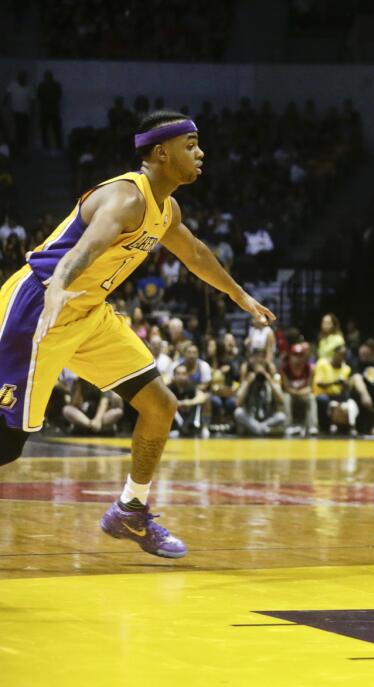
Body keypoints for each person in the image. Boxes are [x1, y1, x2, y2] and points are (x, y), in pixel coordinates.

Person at [0, 110, 274, 559]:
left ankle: (131, 510)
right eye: (191, 145)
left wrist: (241, 296)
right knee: (7, 444)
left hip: (88, 314)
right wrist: (59, 288)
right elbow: (84, 250)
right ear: (161, 153)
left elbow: (195, 254)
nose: (201, 153)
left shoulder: (166, 208)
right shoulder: (126, 198)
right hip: (40, 308)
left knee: (160, 404)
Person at [234, 360, 287, 436]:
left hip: (267, 418)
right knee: (238, 412)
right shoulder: (247, 382)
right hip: (251, 418)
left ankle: (257, 429)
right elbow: (238, 403)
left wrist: (269, 380)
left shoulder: (271, 383)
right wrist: (248, 384)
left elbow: (281, 402)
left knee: (281, 416)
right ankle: (262, 430)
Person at [281, 343, 317, 436]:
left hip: (303, 394)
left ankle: (312, 426)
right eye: (295, 355)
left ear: (304, 357)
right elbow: (286, 388)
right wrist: (296, 393)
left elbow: (310, 387)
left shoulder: (309, 368)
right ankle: (287, 426)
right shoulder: (285, 369)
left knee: (311, 397)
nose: (298, 358)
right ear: (291, 356)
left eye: (300, 355)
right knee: (286, 398)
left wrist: (300, 393)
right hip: (291, 394)